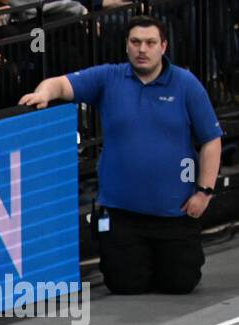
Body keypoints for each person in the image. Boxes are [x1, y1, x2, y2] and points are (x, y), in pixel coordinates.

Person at [19, 15, 222, 294]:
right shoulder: (108, 78)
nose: (142, 49)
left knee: (179, 284)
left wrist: (204, 191)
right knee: (124, 285)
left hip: (175, 213)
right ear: (126, 46)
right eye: (135, 42)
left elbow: (211, 140)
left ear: (163, 46)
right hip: (122, 214)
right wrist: (43, 93)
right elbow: (61, 84)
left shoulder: (186, 84)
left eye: (150, 43)